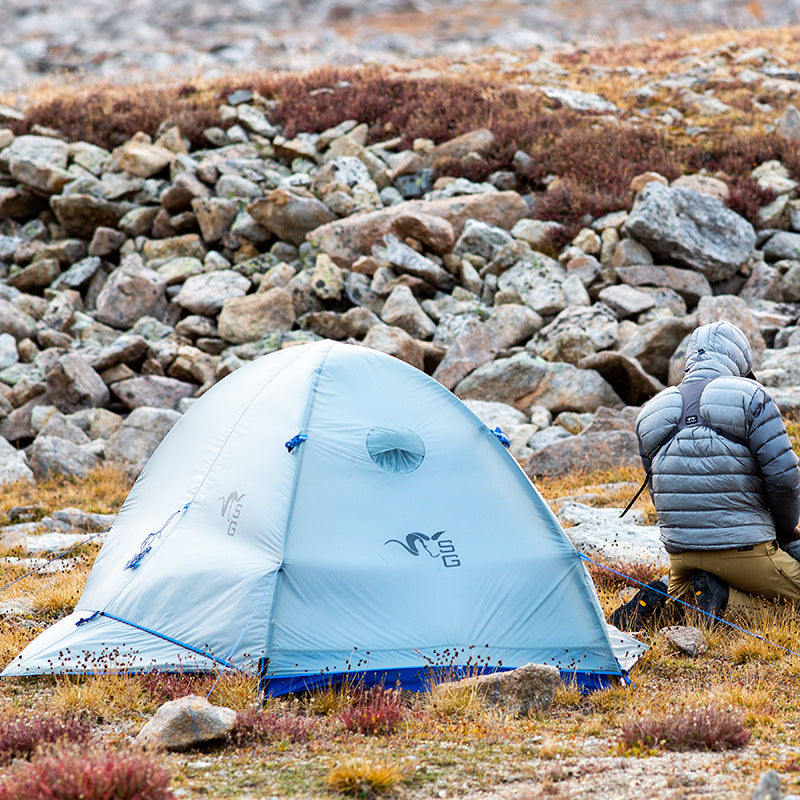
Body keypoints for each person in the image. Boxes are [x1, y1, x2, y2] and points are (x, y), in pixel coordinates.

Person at [613, 320, 800, 629]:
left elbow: (657, 491)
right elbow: (784, 478)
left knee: (693, 594)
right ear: (740, 360)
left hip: (682, 557)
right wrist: (782, 531)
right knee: (785, 609)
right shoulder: (751, 396)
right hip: (747, 552)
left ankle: (665, 597)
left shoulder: (650, 410)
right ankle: (725, 602)